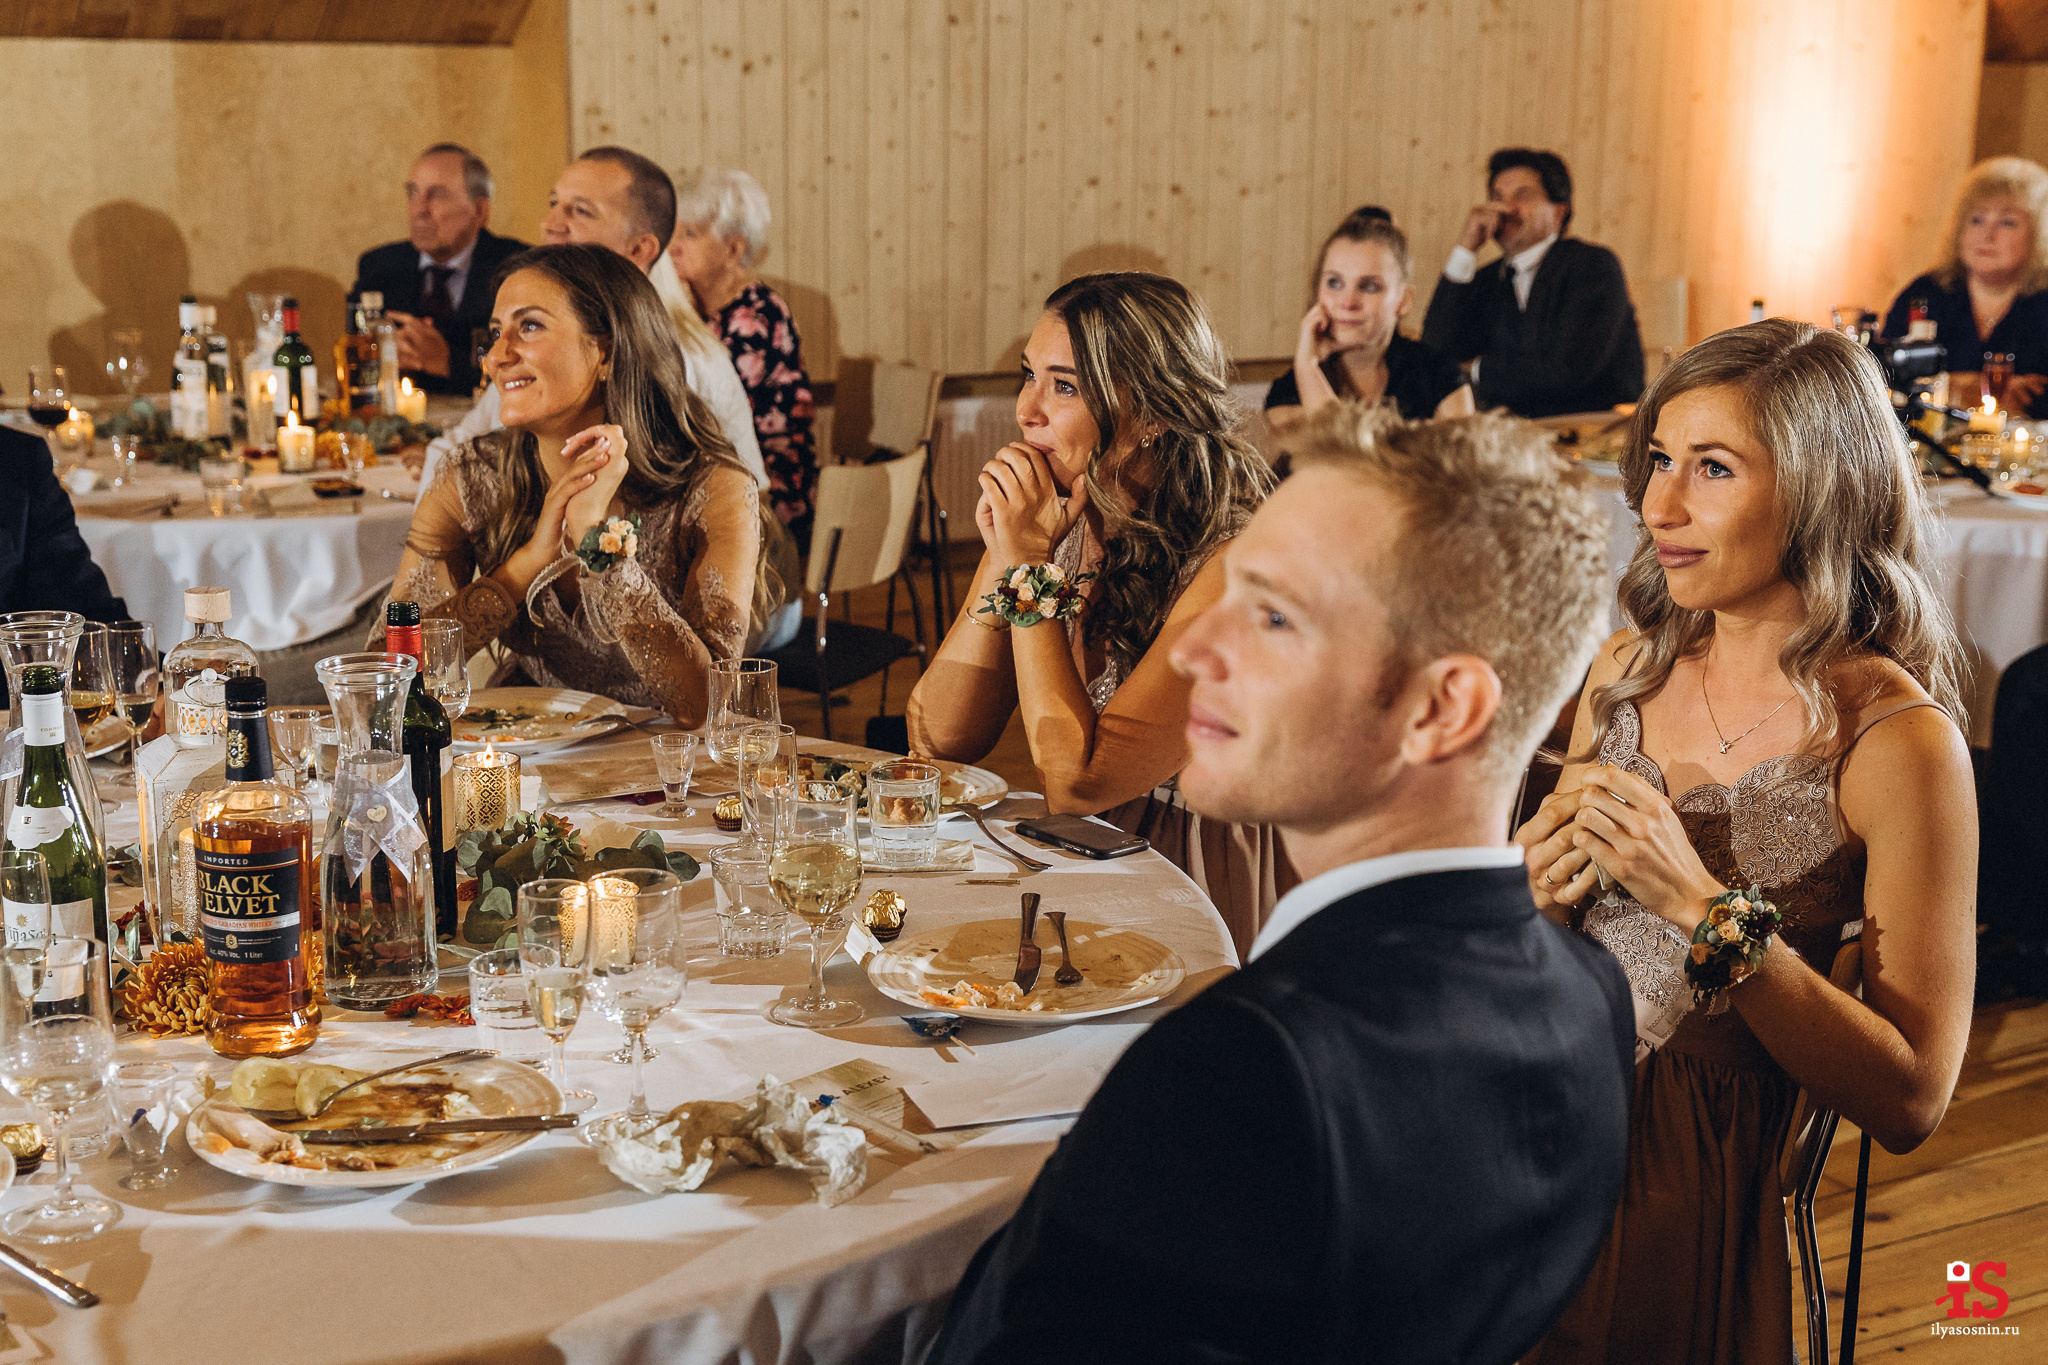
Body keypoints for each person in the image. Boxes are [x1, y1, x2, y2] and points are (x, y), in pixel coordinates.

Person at [928, 404, 1635, 1365]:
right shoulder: (1588, 997)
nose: (1191, 652)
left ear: (1440, 708)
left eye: (1271, 614)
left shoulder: (1244, 1066)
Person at [1515, 320, 1977, 1363]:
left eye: (1710, 469)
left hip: (1697, 1184)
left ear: (1818, 490)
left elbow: (1909, 1097)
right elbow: (1544, 963)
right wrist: (1535, 896)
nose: (1658, 507)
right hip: (1539, 1129)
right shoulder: (1623, 671)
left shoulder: (1896, 743)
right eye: (1659, 463)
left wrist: (1700, 910)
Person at [906, 273, 1290, 955]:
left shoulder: (1234, 559)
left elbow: (1080, 779)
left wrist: (1028, 567)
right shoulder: (1071, 516)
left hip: (1192, 877)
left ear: (1152, 414)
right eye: (1029, 376)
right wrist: (1005, 556)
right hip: (1082, 853)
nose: (1026, 409)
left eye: (1065, 386)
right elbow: (941, 735)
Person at [381, 243, 780, 725]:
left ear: (606, 351)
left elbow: (707, 705)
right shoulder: (471, 475)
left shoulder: (713, 488)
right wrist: (523, 566)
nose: (497, 356)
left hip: (669, 774)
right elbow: (387, 676)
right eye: (495, 333)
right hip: (520, 758)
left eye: (529, 326)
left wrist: (601, 542)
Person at [414, 148, 770, 505]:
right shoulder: (547, 341)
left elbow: (655, 514)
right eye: (554, 203)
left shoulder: (672, 355)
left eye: (580, 211)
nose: (550, 224)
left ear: (639, 248)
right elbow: (459, 447)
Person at [1422, 147, 1645, 417]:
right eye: (1496, 197)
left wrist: (1475, 369)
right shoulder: (1486, 278)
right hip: (1510, 438)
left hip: (1594, 434)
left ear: (1559, 212)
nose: (1504, 208)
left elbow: (1566, 371)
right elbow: (1435, 351)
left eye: (1522, 196)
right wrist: (1465, 248)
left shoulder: (1593, 265)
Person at [668, 167, 820, 540]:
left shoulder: (756, 317)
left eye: (690, 234)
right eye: (672, 231)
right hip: (728, 472)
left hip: (770, 487)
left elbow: (711, 413)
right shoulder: (703, 309)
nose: (673, 246)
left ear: (734, 249)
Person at [1265, 206, 1472, 429]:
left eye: (1369, 287)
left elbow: (1461, 461)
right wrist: (1307, 367)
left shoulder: (1439, 377)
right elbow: (1335, 457)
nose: (1348, 302)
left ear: (1404, 299)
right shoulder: (1288, 392)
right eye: (1334, 283)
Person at [352, 143, 528, 397]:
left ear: (480, 210)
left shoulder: (517, 268)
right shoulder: (378, 267)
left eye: (437, 195)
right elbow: (355, 361)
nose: (419, 209)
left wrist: (448, 363)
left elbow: (525, 369)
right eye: (412, 193)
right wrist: (380, 352)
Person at [1882, 156, 2048, 418]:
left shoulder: (2043, 303)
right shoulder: (1926, 294)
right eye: (1976, 220)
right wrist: (1972, 385)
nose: (1987, 235)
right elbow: (1882, 372)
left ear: (2039, 234)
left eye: (2007, 222)